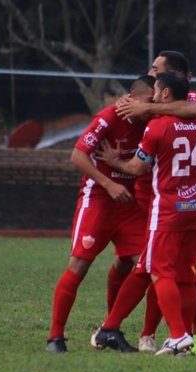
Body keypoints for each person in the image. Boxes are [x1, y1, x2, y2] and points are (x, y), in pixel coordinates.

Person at [92, 52, 196, 355]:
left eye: (156, 78)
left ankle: (178, 335)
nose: (151, 81)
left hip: (168, 206)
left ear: (167, 91)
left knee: (161, 271)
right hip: (195, 204)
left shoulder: (158, 125)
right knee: (150, 268)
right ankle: (110, 327)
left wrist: (114, 161)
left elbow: (136, 168)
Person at [46, 76, 155, 353]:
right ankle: (55, 337)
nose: (152, 107)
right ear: (131, 98)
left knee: (147, 266)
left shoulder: (153, 122)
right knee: (79, 265)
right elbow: (77, 155)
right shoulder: (109, 117)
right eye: (150, 101)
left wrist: (119, 163)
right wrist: (109, 182)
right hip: (98, 199)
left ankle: (110, 328)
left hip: (127, 205)